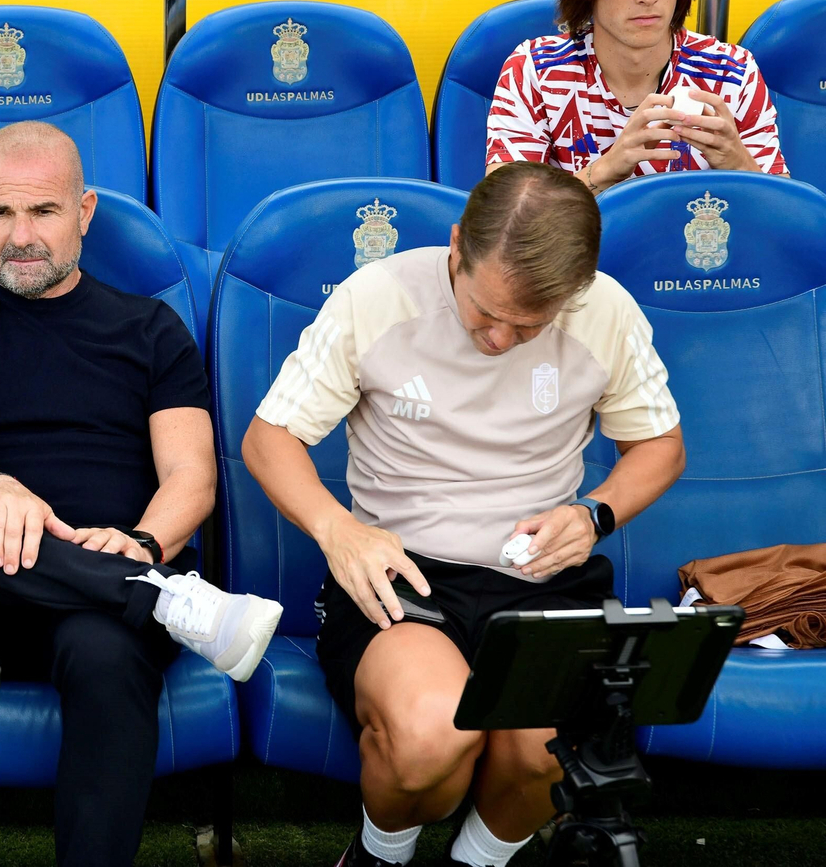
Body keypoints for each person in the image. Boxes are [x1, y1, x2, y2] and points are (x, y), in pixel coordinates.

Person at [242, 162, 685, 867]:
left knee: (551, 754)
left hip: (541, 577)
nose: (500, 339)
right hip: (405, 572)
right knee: (430, 735)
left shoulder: (606, 311)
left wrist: (593, 515)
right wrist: (339, 531)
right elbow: (269, 439)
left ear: (573, 293)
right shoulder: (378, 297)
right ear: (456, 245)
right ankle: (380, 856)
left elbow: (660, 446)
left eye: (528, 325)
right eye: (484, 313)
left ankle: (476, 862)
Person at [0, 120, 282, 867]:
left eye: (43, 211)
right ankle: (157, 596)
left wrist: (145, 543)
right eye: (0, 213)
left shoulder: (150, 328)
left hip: (102, 606)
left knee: (105, 654)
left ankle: (135, 587)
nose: (20, 235)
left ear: (84, 212)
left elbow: (191, 475)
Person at [486, 0, 787, 190]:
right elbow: (508, 213)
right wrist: (605, 171)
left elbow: (784, 213)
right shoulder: (534, 71)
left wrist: (739, 163)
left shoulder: (732, 71)